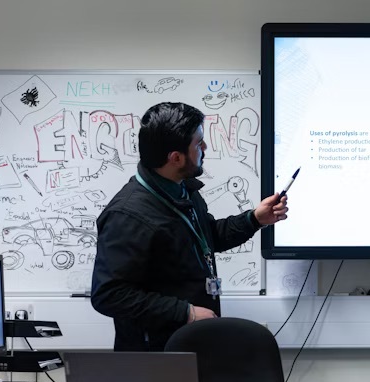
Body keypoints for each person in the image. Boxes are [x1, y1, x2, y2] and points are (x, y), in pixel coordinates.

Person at [91, 102, 287, 351]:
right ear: (175, 157)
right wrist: (185, 312)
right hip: (156, 358)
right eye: (198, 143)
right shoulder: (128, 215)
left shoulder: (182, 189)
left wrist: (254, 219)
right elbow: (109, 294)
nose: (205, 148)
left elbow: (207, 238)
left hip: (191, 342)